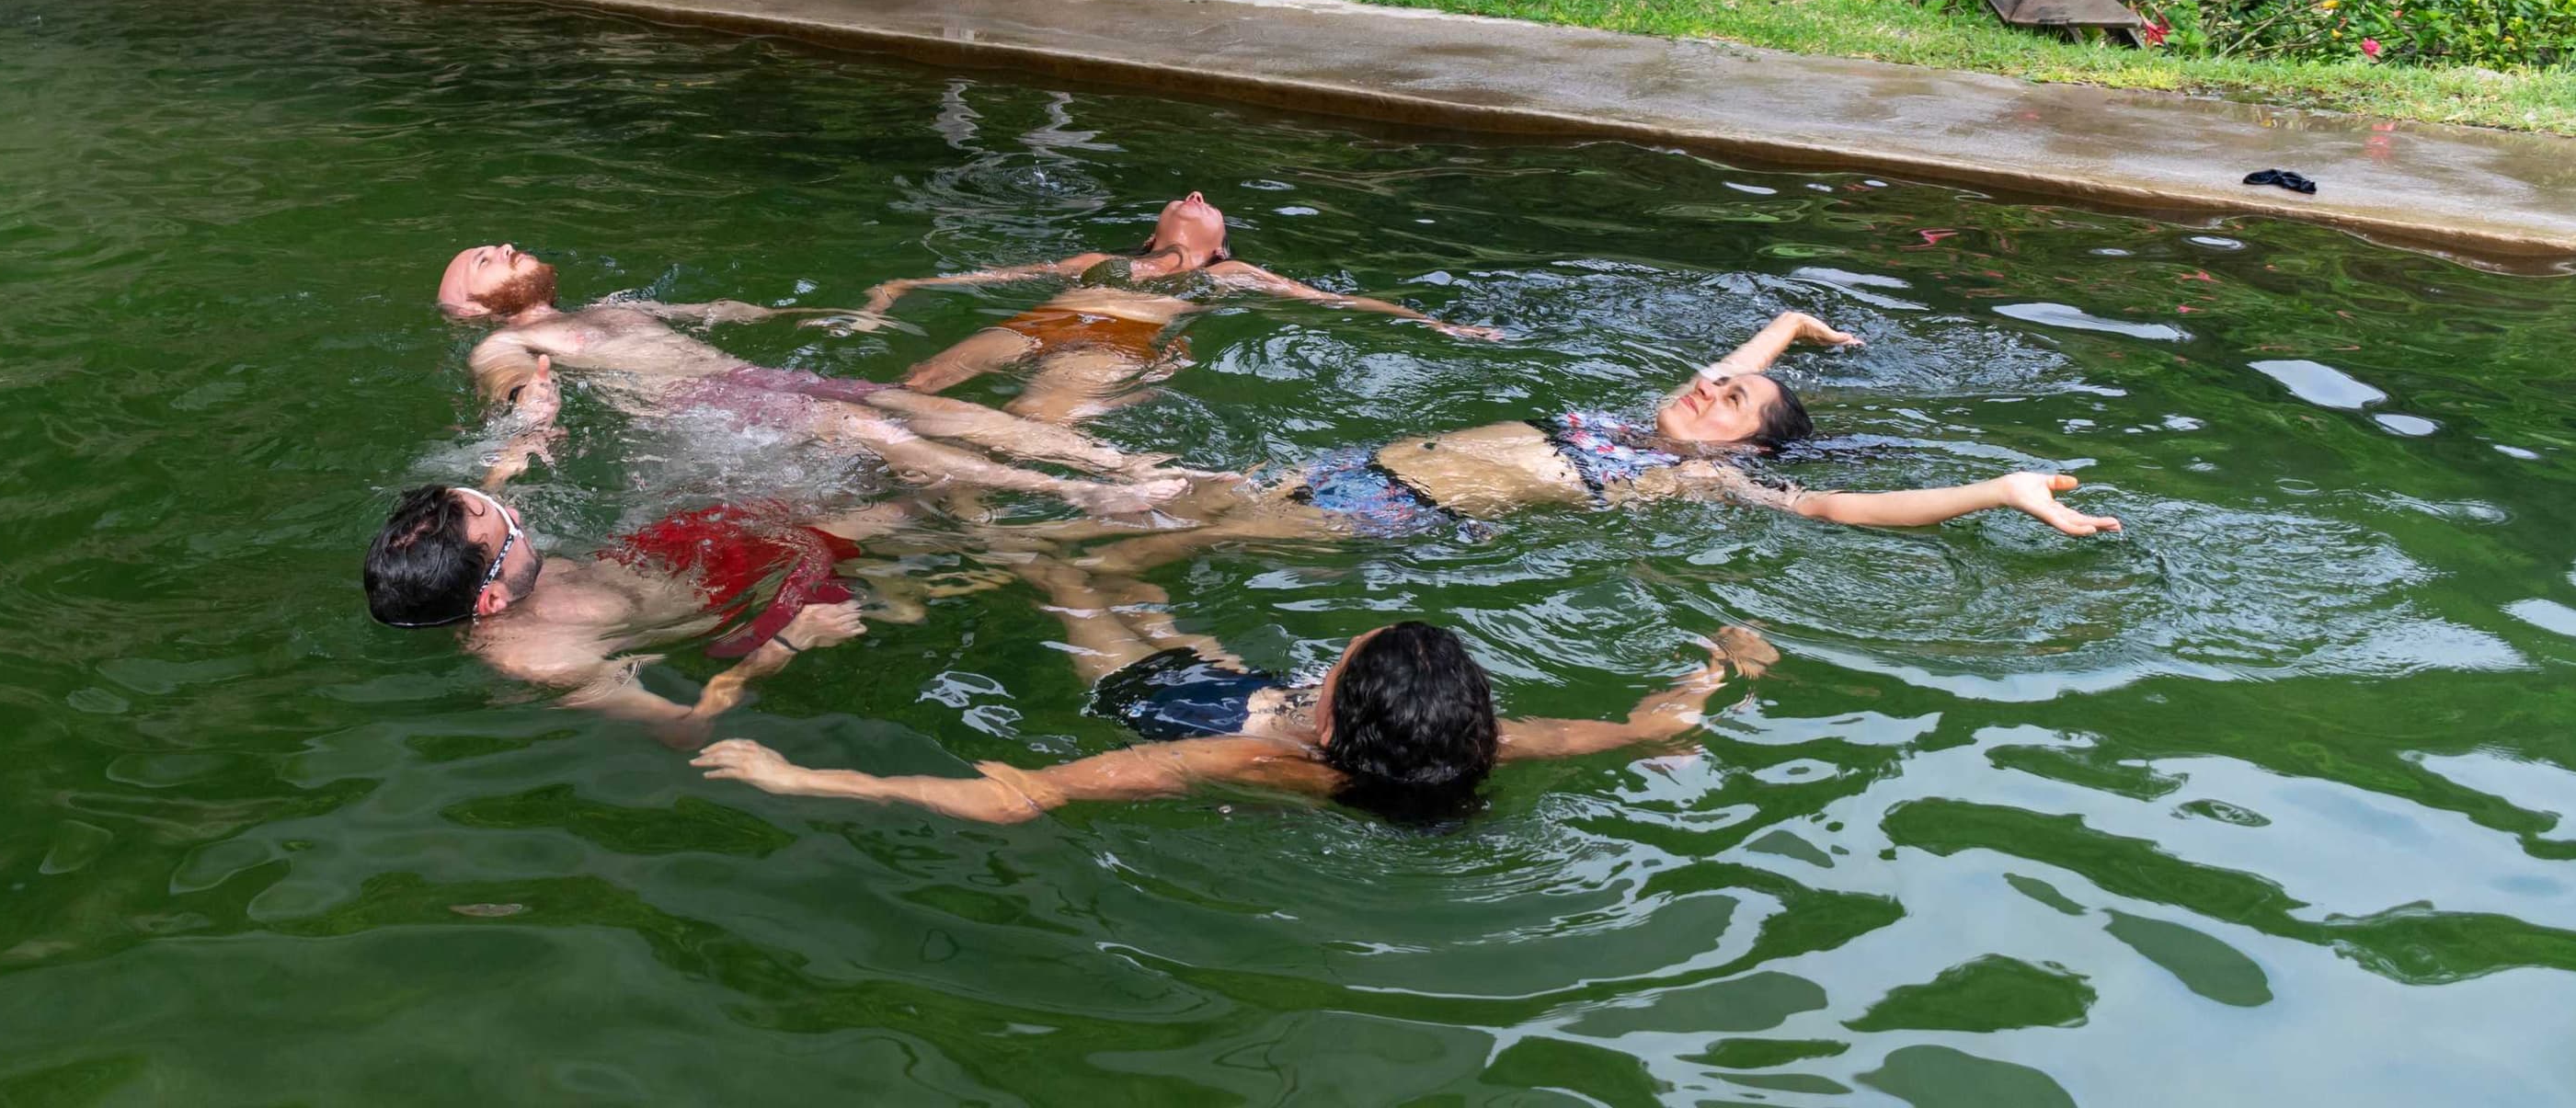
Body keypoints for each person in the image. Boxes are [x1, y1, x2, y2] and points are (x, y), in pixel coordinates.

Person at [1042, 307, 2118, 573]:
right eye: (1718, 377)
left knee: (1111, 535)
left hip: (1385, 511)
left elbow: (1834, 507)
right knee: (1095, 490)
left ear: (1742, 449)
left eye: (1735, 401)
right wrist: (1786, 330)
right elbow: (1728, 368)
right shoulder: (1645, 424)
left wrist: (1999, 486)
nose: (1711, 384)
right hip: (1339, 470)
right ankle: (894, 504)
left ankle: (908, 566)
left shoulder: (1695, 485)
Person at [691, 563, 1776, 820]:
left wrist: (804, 774)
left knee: (1061, 571)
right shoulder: (1483, 745)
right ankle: (1145, 593)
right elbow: (1650, 723)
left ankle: (954, 562)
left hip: (1167, 702)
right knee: (1144, 584)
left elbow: (1022, 793)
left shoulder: (1247, 760)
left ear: (1343, 708)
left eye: (1347, 657)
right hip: (1246, 690)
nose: (1342, 647)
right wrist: (1723, 666)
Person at [438, 243, 1185, 515]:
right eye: (484, 260)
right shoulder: (500, 343)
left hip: (761, 380)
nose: (503, 246)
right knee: (869, 428)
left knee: (902, 401)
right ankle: (1078, 493)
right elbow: (504, 383)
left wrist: (844, 312)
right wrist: (526, 402)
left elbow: (728, 310)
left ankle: (1116, 462)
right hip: (704, 413)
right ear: (472, 306)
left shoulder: (610, 309)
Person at [853, 192, 1504, 423]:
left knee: (1034, 423)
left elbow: (1333, 300)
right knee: (919, 384)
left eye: (1207, 204)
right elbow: (1000, 276)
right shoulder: (1090, 264)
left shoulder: (1233, 276)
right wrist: (904, 285)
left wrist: (1431, 321)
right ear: (1149, 234)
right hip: (1045, 320)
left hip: (1120, 343)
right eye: (1182, 197)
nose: (1193, 194)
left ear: (1219, 247)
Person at [363, 481, 889, 746]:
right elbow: (685, 726)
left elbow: (475, 522)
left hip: (667, 546)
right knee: (904, 510)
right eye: (511, 530)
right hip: (734, 582)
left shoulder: (464, 567)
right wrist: (786, 643)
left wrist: (529, 428)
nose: (518, 516)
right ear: (493, 600)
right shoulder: (548, 660)